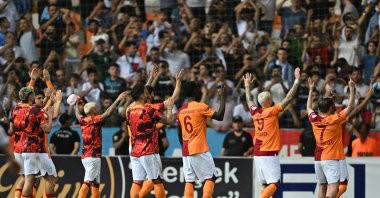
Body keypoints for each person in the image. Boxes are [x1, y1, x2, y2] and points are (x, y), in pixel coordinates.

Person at [243, 68, 300, 198]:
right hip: (269, 152)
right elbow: (289, 97)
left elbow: (249, 100)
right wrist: (296, 80)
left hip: (257, 153)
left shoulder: (255, 112)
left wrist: (247, 86)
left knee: (265, 185)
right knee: (275, 184)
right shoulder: (272, 111)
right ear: (269, 102)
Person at [307, 76, 356, 198]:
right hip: (331, 157)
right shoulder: (335, 119)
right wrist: (351, 88)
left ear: (319, 109)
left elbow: (308, 107)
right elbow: (351, 107)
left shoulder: (314, 119)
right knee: (334, 186)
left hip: (318, 157)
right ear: (331, 108)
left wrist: (310, 90)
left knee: (322, 186)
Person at [177, 81, 226, 198]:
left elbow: (179, 134)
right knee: (211, 177)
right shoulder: (200, 107)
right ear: (195, 91)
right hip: (199, 148)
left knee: (189, 180)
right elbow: (219, 116)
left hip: (186, 150)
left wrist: (184, 148)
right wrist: (223, 96)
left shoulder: (180, 110)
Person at [75, 91, 127, 198]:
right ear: (93, 111)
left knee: (95, 184)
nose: (98, 109)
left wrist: (76, 104)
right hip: (93, 156)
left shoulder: (83, 120)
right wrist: (118, 100)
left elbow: (77, 114)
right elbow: (108, 112)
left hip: (85, 156)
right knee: (87, 183)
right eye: (96, 108)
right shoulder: (94, 120)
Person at [126, 84, 174, 198]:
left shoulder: (129, 111)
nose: (148, 94)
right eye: (145, 92)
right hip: (148, 150)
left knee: (136, 182)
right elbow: (168, 120)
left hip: (134, 150)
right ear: (142, 96)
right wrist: (170, 108)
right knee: (157, 181)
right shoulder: (148, 110)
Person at [9, 87, 54, 198]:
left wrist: (48, 98)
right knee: (30, 179)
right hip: (31, 148)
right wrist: (51, 115)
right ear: (30, 97)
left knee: (24, 177)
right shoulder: (34, 111)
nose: (34, 97)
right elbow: (47, 129)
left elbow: (11, 130)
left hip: (17, 149)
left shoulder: (15, 109)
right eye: (34, 95)